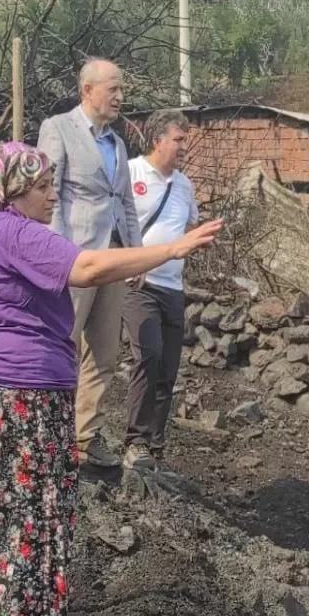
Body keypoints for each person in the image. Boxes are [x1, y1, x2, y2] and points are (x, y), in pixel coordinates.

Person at [0, 142, 223, 616]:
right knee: (28, 528)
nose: (50, 194)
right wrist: (169, 250)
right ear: (9, 192)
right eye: (40, 185)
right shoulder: (7, 229)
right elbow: (85, 266)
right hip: (19, 400)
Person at [37, 58, 142, 468]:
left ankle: (84, 438)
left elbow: (126, 205)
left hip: (112, 259)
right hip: (76, 258)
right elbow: (50, 195)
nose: (120, 97)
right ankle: (48, 433)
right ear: (88, 91)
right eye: (113, 89)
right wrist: (61, 255)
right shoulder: (59, 128)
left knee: (104, 353)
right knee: (61, 343)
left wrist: (135, 257)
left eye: (121, 89)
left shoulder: (117, 143)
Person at [120, 110, 197, 470]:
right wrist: (127, 262)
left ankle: (155, 447)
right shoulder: (131, 172)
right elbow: (115, 223)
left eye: (185, 138)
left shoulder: (184, 186)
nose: (184, 146)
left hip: (173, 287)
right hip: (139, 284)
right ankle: (135, 440)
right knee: (147, 356)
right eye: (178, 139)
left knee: (167, 369)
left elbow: (187, 229)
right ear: (157, 141)